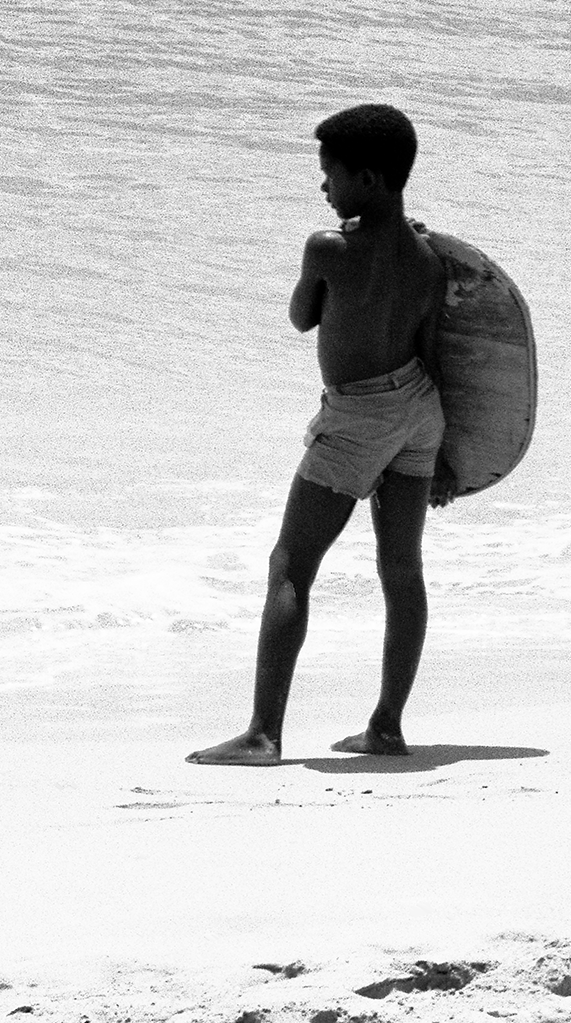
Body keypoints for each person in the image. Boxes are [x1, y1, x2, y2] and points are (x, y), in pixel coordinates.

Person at [188, 105, 450, 767]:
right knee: (403, 571)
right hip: (419, 411)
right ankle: (387, 725)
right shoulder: (430, 260)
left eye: (330, 174)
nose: (324, 188)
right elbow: (432, 350)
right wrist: (446, 453)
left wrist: (328, 266)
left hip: (355, 418)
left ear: (367, 178)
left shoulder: (328, 248)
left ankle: (262, 734)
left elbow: (303, 317)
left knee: (289, 567)